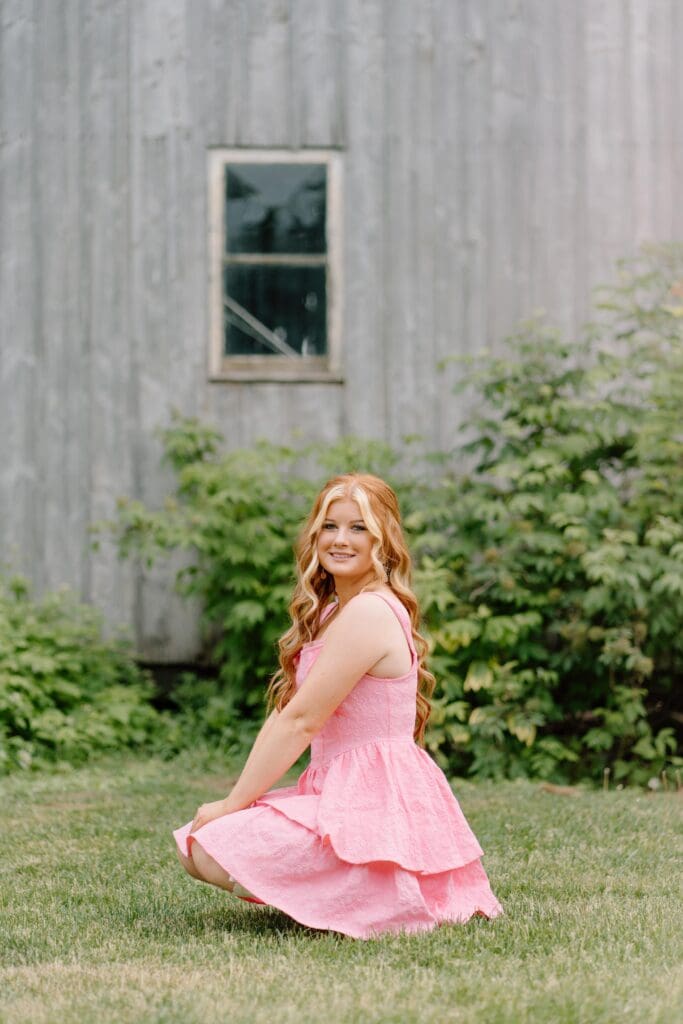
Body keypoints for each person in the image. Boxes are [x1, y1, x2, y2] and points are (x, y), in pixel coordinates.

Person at [173, 473, 503, 938]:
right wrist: (234, 802)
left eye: (358, 528)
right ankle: (342, 897)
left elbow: (302, 723)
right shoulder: (333, 611)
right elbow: (284, 714)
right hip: (336, 789)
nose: (340, 540)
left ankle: (370, 900)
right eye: (330, 526)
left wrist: (233, 804)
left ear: (383, 540)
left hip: (376, 795)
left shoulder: (369, 611)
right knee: (199, 844)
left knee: (209, 845)